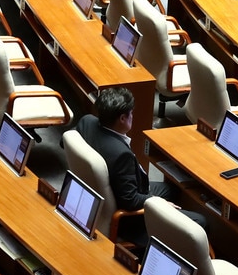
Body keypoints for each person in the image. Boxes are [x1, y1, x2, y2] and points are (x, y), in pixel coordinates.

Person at [74, 88, 208, 238]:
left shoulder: (86, 121)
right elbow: (130, 201)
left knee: (173, 190)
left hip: (105, 193)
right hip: (127, 215)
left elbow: (64, 143)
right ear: (122, 119)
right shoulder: (121, 155)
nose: (133, 116)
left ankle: (172, 219)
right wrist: (157, 203)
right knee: (200, 221)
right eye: (131, 113)